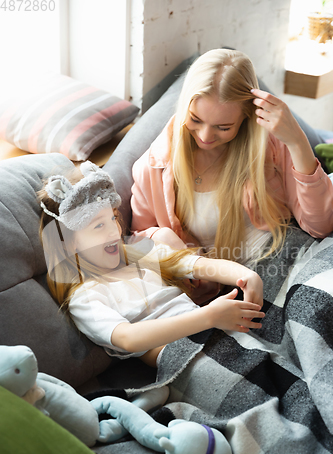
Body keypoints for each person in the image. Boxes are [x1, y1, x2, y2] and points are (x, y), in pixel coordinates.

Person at [38, 162, 264, 368]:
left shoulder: (142, 256)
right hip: (186, 360)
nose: (114, 231)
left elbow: (198, 265)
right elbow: (128, 338)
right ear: (68, 244)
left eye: (114, 218)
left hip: (217, 332)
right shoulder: (85, 297)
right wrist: (209, 316)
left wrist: (246, 275)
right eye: (98, 226)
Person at [130, 48, 333, 270]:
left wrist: (298, 142)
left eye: (223, 127)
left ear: (246, 116)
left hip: (285, 260)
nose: (205, 136)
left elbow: (320, 226)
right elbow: (137, 240)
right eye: (195, 119)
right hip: (222, 286)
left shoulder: (271, 145)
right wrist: (168, 241)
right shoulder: (153, 167)